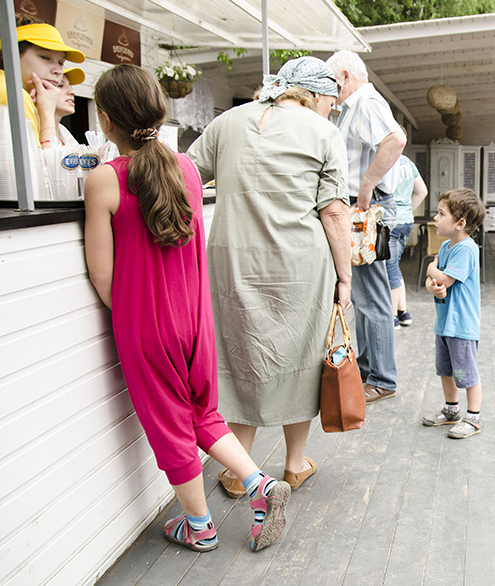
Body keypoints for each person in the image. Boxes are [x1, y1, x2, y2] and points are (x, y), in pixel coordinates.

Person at [83, 64, 290, 553]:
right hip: (196, 318)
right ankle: (260, 486)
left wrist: (133, 315)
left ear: (106, 120)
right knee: (201, 412)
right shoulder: (189, 169)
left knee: (168, 422)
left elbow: (101, 274)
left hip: (146, 324)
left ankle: (200, 527)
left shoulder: (103, 182)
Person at [187, 57, 352, 499]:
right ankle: (295, 464)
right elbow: (334, 211)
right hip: (300, 266)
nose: (331, 111)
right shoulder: (324, 133)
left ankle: (238, 471)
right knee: (300, 361)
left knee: (241, 355)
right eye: (331, 102)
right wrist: (345, 276)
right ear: (315, 94)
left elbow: (185, 177)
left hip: (233, 263)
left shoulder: (228, 122)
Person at [326, 50, 406, 403]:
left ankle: (383, 378)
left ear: (345, 75)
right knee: (364, 297)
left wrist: (366, 184)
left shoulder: (366, 101)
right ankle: (368, 367)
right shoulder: (355, 105)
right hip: (362, 210)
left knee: (372, 298)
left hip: (368, 209)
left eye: (332, 82)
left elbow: (396, 139)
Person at [421, 188, 486, 439]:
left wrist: (430, 269)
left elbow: (443, 278)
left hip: (461, 326)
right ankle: (451, 410)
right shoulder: (447, 246)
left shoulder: (466, 249)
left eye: (440, 214)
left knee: (465, 372)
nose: (435, 218)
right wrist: (432, 286)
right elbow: (436, 284)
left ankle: (473, 417)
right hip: (445, 324)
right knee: (446, 370)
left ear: (460, 223)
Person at [0, 16, 84, 146]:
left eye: (61, 63)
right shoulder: (15, 95)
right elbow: (40, 165)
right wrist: (47, 113)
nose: (58, 71)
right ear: (12, 53)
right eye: (45, 57)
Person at [387, 154, 427, 329]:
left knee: (390, 270)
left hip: (390, 221)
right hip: (405, 221)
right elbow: (422, 191)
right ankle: (403, 312)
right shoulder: (408, 162)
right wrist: (407, 210)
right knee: (394, 266)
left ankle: (393, 316)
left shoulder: (385, 159)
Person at [53, 68, 85, 145]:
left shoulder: (64, 132)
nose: (72, 91)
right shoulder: (29, 132)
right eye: (60, 85)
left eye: (70, 86)